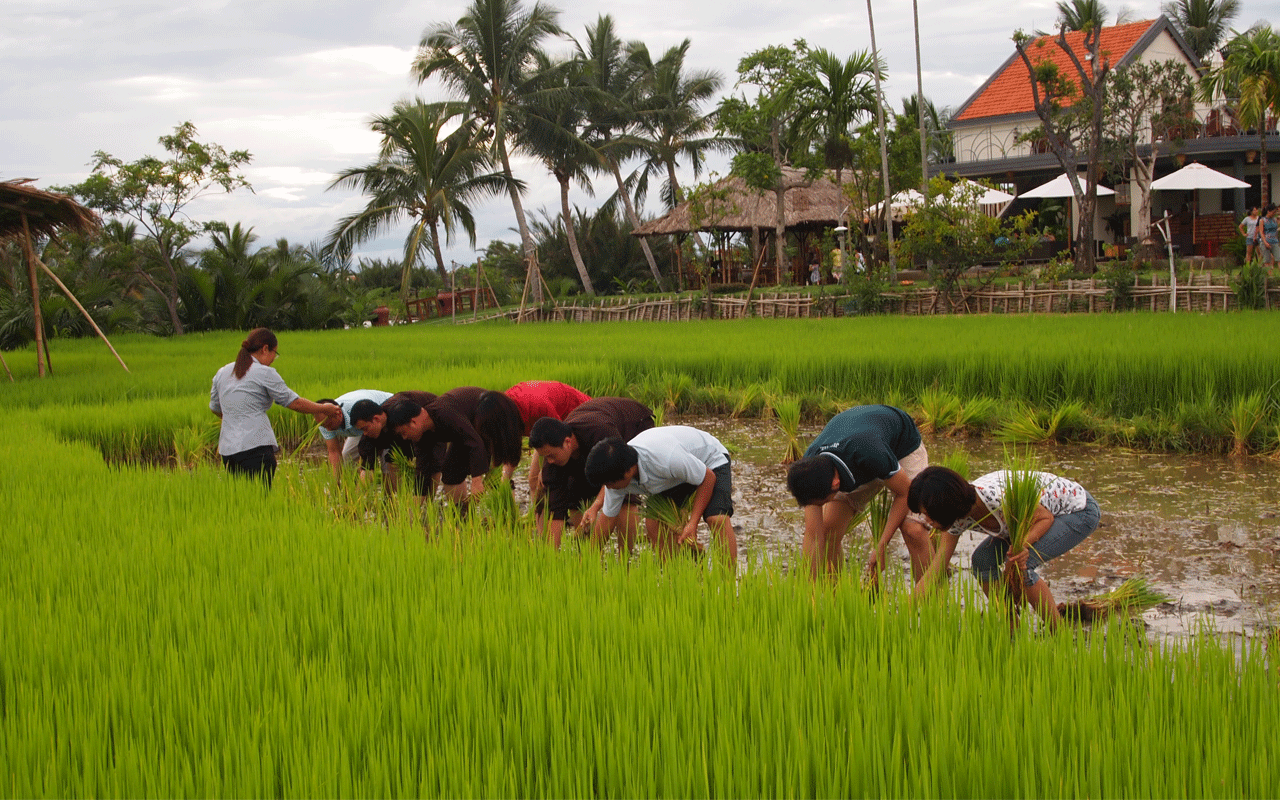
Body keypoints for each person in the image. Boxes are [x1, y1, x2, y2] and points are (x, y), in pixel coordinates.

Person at [908, 466, 1100, 628]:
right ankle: (1011, 627)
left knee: (1022, 566)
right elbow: (937, 568)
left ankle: (1059, 633)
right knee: (982, 561)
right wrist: (908, 607)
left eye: (929, 514)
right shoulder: (957, 517)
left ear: (945, 506)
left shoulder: (998, 499)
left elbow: (1044, 518)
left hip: (1074, 511)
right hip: (1026, 522)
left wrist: (1020, 548)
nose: (927, 521)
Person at [786, 404, 932, 583]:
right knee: (829, 531)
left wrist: (881, 546)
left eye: (821, 502)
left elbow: (905, 493)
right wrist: (810, 594)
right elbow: (814, 536)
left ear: (835, 484)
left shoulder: (870, 451)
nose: (818, 507)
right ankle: (835, 600)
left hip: (901, 446)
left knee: (913, 529)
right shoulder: (810, 470)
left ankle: (929, 601)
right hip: (857, 445)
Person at [584, 426, 737, 569]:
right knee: (654, 524)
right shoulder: (617, 476)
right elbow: (608, 519)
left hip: (709, 461)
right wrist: (587, 561)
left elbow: (707, 478)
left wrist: (692, 523)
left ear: (629, 471)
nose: (607, 488)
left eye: (608, 483)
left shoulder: (667, 459)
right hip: (673, 478)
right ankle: (678, 576)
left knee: (716, 519)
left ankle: (727, 585)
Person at [208, 328, 339, 488]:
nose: (273, 359)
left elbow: (215, 407)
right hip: (255, 448)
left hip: (228, 451)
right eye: (274, 353)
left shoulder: (222, 372)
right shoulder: (264, 372)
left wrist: (235, 416)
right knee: (261, 500)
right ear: (265, 349)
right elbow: (293, 402)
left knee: (241, 499)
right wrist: (324, 409)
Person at [527, 397, 654, 547]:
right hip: (591, 442)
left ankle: (624, 560)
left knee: (624, 495)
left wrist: (596, 506)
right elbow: (556, 512)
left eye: (551, 455)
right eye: (545, 457)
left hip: (632, 425)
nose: (549, 462)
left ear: (567, 442)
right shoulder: (553, 462)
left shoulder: (599, 431)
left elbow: (612, 476)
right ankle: (588, 552)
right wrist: (550, 556)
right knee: (574, 496)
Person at [473, 381, 591, 492]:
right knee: (533, 480)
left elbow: (558, 439)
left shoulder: (536, 406)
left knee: (554, 481)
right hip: (547, 431)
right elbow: (512, 445)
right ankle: (536, 512)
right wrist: (505, 478)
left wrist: (544, 470)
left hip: (578, 417)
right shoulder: (507, 412)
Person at [383, 387, 490, 504]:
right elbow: (423, 469)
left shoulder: (445, 413)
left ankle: (506, 513)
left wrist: (476, 481)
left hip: (488, 416)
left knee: (496, 469)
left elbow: (474, 442)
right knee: (450, 472)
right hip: (468, 432)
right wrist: (415, 507)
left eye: (403, 432)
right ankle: (461, 514)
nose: (404, 438)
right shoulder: (422, 435)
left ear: (413, 422)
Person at [348, 391, 437, 488]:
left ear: (376, 419)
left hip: (433, 426)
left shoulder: (401, 415)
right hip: (405, 440)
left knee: (432, 463)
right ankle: (402, 497)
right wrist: (358, 496)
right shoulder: (369, 437)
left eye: (365, 428)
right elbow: (366, 469)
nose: (365, 433)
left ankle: (427, 499)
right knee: (392, 458)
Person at [313, 389, 392, 480]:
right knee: (347, 458)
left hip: (382, 419)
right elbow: (334, 451)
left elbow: (373, 422)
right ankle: (351, 490)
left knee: (386, 461)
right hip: (362, 427)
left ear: (338, 415)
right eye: (324, 426)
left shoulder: (355, 409)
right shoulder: (324, 422)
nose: (327, 429)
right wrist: (335, 483)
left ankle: (390, 492)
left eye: (329, 424)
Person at [1260, 204, 1279, 269]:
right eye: (1273, 212)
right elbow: (1261, 233)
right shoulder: (1262, 220)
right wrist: (1265, 242)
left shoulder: (1275, 220)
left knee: (1279, 258)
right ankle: (1269, 275)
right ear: (1268, 211)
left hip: (1275, 241)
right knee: (1267, 260)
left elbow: (1276, 230)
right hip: (1266, 242)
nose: (1274, 214)